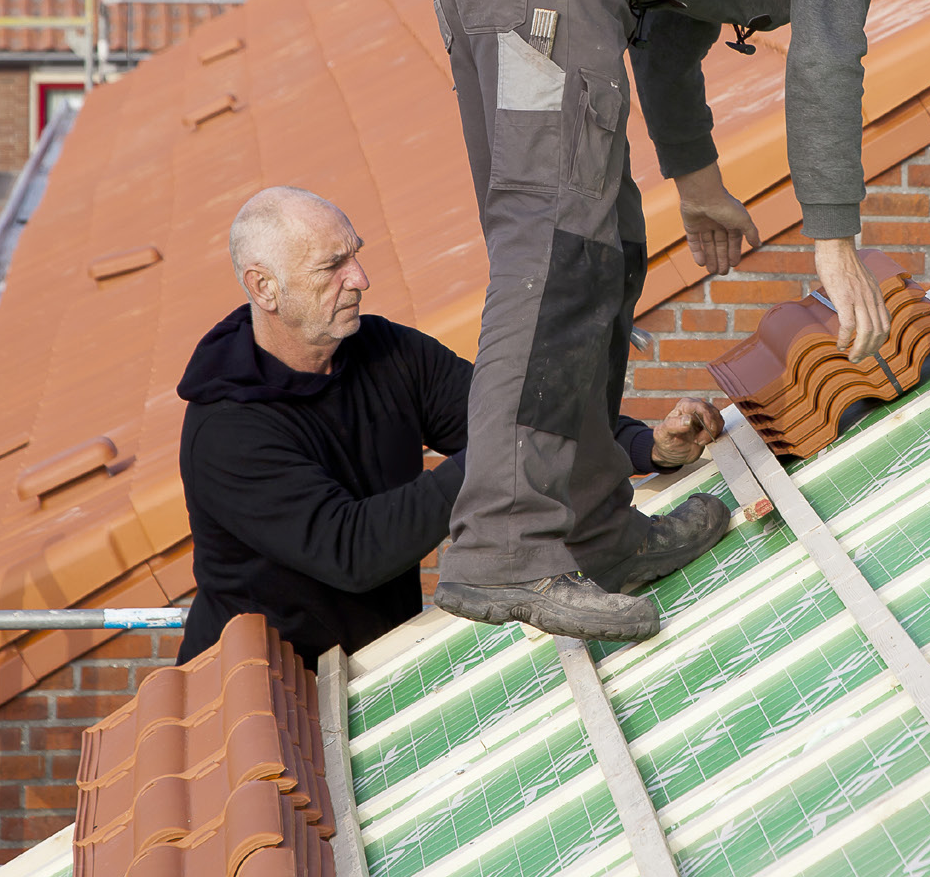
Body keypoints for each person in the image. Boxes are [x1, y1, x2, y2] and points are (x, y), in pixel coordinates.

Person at [429, 0, 930, 642]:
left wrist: (695, 179)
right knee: (557, 247)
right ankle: (503, 549)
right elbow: (827, 49)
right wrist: (834, 240)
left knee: (604, 246)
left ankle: (598, 532)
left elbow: (667, 26)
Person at [175, 185, 723, 663]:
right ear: (264, 287)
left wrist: (644, 447)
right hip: (278, 697)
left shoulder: (383, 349)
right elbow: (353, 552)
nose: (360, 279)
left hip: (381, 654)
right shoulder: (226, 433)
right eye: (331, 266)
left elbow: (518, 418)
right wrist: (498, 454)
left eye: (356, 256)